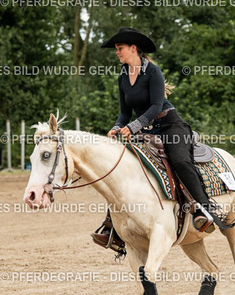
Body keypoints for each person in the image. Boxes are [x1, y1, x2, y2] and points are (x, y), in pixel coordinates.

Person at [91, 27, 224, 249]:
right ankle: (113, 226)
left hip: (171, 125)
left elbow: (155, 106)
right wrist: (117, 127)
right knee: (123, 168)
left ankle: (204, 209)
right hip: (146, 131)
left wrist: (133, 127)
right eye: (116, 49)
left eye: (120, 48)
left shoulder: (153, 72)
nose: (117, 52)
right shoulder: (122, 77)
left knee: (180, 161)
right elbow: (124, 112)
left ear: (133, 48)